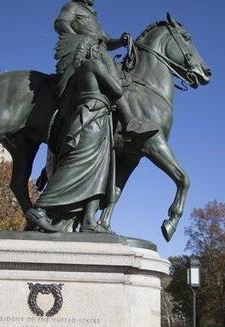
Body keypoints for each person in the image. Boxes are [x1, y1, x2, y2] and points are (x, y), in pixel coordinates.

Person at [25, 36, 122, 233]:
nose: (103, 55)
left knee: (99, 171)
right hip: (92, 119)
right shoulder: (93, 65)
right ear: (93, 51)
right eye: (100, 52)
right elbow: (118, 90)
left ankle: (88, 220)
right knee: (78, 166)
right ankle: (40, 208)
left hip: (93, 118)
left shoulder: (78, 72)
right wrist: (111, 67)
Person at [52, 0, 156, 141]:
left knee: (118, 78)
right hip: (87, 51)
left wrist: (120, 41)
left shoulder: (93, 16)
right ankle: (129, 122)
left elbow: (106, 41)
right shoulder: (72, 6)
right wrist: (82, 39)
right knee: (112, 79)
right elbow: (60, 23)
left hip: (100, 50)